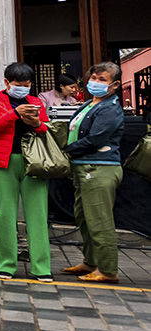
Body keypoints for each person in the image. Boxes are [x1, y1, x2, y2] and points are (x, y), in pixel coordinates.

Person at [0, 62, 52, 281]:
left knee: (37, 215)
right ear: (6, 82)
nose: (23, 88)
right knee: (5, 214)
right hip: (3, 162)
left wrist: (36, 122)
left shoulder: (35, 101)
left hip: (35, 162)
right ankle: (6, 264)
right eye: (18, 84)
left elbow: (45, 129)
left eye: (27, 84)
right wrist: (14, 113)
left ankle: (42, 267)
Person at [62, 62, 124, 284]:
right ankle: (90, 262)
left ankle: (107, 269)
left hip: (100, 168)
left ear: (115, 85)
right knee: (85, 218)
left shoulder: (110, 108)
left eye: (102, 80)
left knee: (99, 220)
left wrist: (65, 150)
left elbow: (96, 138)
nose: (95, 83)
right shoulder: (90, 104)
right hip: (83, 166)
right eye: (93, 78)